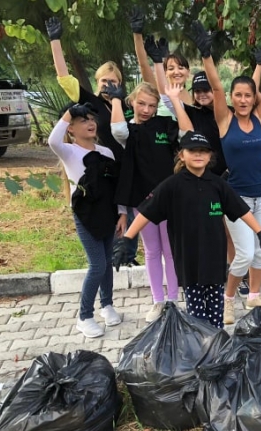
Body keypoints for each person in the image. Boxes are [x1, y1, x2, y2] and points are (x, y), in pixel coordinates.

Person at [113, 132, 261, 328]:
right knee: (197, 316)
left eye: (203, 151)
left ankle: (215, 346)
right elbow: (145, 212)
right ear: (182, 155)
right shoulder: (171, 185)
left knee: (215, 313)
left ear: (209, 156)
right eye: (192, 151)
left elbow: (242, 210)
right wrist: (127, 239)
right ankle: (200, 347)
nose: (198, 155)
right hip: (188, 261)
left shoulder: (218, 184)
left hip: (214, 260)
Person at [192, 22, 261, 324]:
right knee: (243, 254)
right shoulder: (225, 120)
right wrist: (206, 55)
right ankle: (228, 299)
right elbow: (216, 88)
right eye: (238, 95)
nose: (242, 99)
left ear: (253, 97)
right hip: (235, 197)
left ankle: (253, 295)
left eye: (247, 95)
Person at [46, 16, 139, 266]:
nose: (109, 85)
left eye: (114, 81)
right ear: (97, 83)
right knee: (111, 217)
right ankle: (111, 261)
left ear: (120, 83)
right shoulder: (91, 103)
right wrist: (55, 41)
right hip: (101, 170)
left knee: (131, 215)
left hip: (128, 170)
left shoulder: (127, 106)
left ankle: (129, 258)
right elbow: (64, 78)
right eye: (104, 81)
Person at [110, 81, 192, 322]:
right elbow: (117, 131)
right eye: (141, 103)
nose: (146, 109)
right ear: (132, 102)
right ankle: (157, 301)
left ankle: (173, 301)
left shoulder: (164, 126)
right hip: (142, 203)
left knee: (170, 250)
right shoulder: (129, 131)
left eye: (152, 106)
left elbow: (187, 133)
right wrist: (116, 99)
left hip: (168, 200)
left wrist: (175, 100)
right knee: (152, 251)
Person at [48, 103, 126, 338]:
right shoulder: (69, 152)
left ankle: (107, 305)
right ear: (70, 129)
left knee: (107, 261)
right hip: (86, 216)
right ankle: (84, 316)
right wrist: (71, 111)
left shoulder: (106, 153)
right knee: (97, 265)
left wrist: (122, 213)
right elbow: (52, 140)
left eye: (92, 119)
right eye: (83, 120)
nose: (91, 123)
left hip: (108, 213)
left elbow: (115, 187)